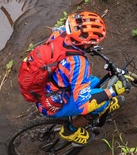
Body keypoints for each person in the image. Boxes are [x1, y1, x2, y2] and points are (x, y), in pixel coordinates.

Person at [35, 11, 127, 144]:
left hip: (46, 87)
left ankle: (103, 104)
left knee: (94, 81)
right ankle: (70, 131)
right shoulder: (79, 64)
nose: (95, 45)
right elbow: (84, 105)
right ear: (85, 43)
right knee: (101, 102)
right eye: (93, 43)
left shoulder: (60, 33)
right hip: (52, 103)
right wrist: (112, 92)